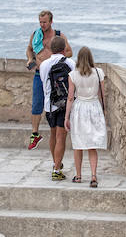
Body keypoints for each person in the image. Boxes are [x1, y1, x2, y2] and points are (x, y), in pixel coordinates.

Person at [25, 10, 72, 150]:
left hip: (55, 76)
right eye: (40, 22)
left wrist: (54, 57)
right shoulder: (35, 35)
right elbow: (29, 49)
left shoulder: (59, 36)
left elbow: (69, 52)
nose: (42, 25)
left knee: (56, 104)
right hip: (39, 74)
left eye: (44, 22)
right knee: (36, 104)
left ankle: (60, 129)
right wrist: (30, 59)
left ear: (51, 21)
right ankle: (35, 133)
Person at [64, 47, 107, 188]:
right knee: (92, 145)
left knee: (78, 144)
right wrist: (103, 112)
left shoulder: (73, 75)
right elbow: (102, 95)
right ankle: (93, 176)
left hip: (79, 108)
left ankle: (78, 175)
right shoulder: (99, 73)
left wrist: (66, 117)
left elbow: (70, 98)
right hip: (94, 107)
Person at [39, 36, 75, 181]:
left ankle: (56, 164)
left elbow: (44, 84)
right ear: (64, 49)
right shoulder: (71, 63)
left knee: (53, 135)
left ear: (51, 49)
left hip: (49, 105)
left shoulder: (44, 65)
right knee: (61, 138)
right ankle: (56, 169)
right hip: (64, 105)